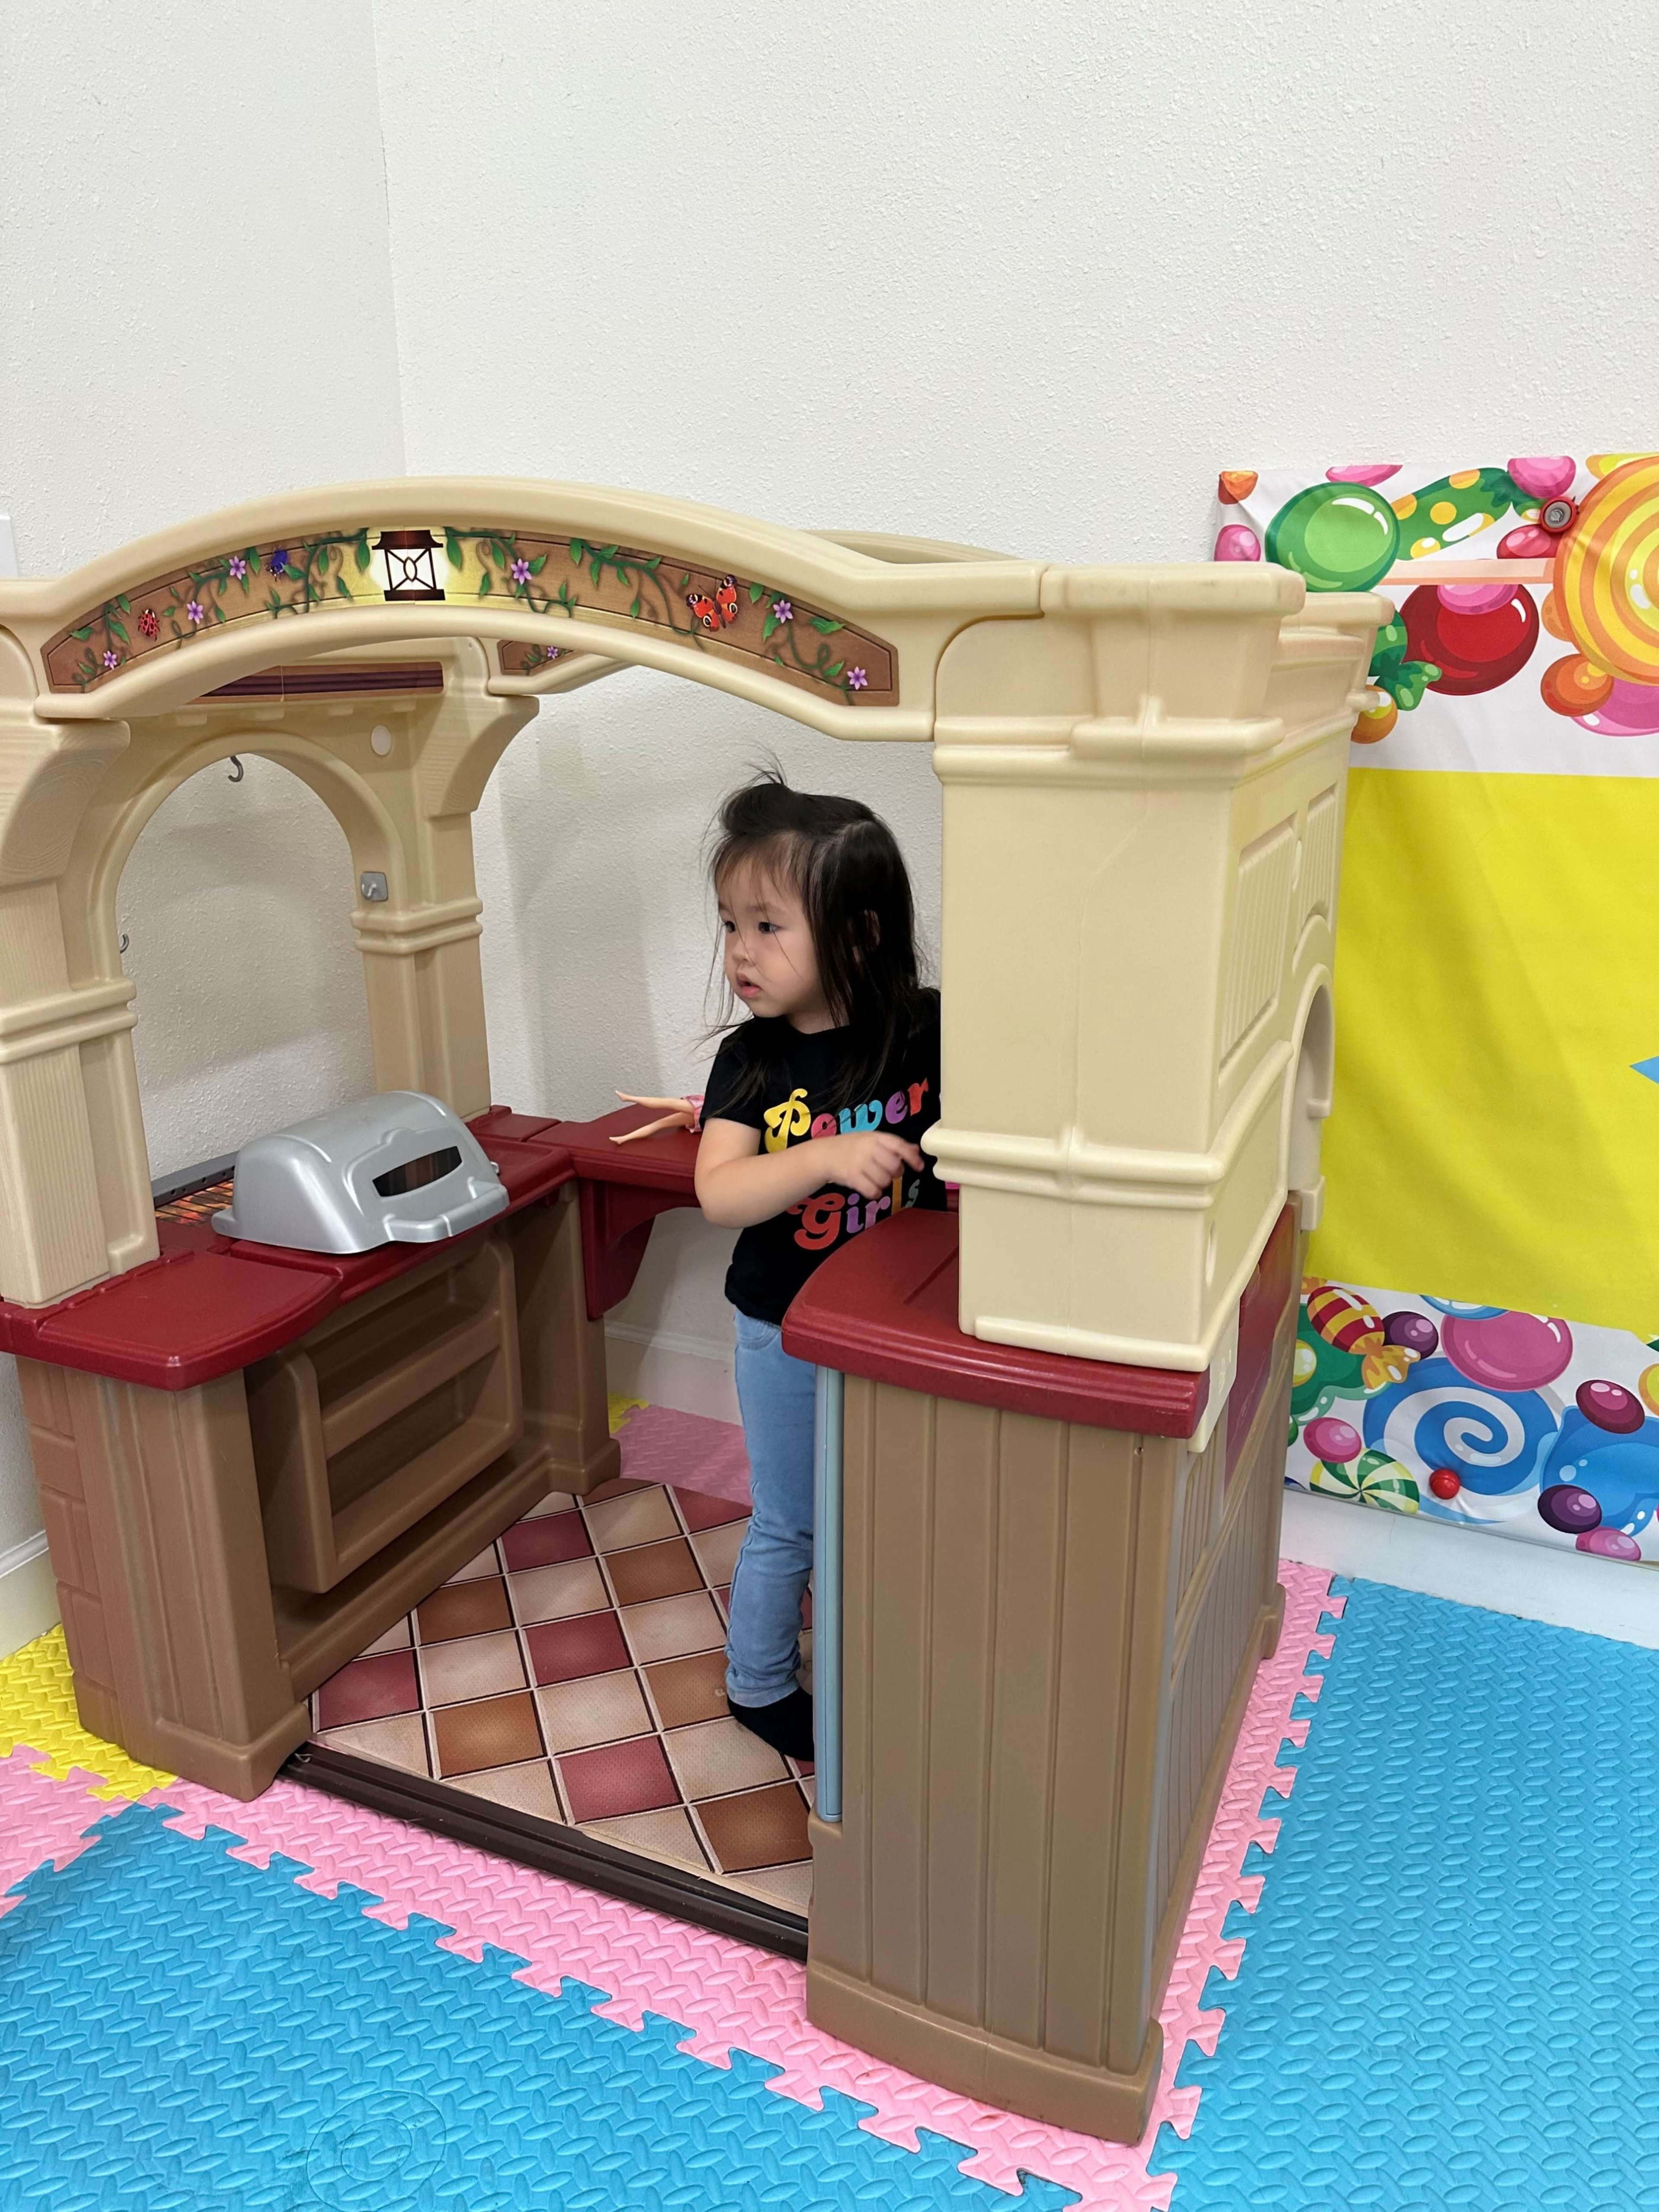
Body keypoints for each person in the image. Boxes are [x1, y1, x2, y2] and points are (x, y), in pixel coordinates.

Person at [694, 771, 945, 1762]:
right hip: (784, 1329)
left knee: (874, 1523)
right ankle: (756, 1684)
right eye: (731, 925)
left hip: (892, 1325)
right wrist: (819, 1159)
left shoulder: (923, 1028)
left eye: (768, 926)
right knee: (793, 1523)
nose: (740, 952)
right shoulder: (752, 1061)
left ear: (859, 934)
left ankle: (863, 1675)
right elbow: (720, 1191)